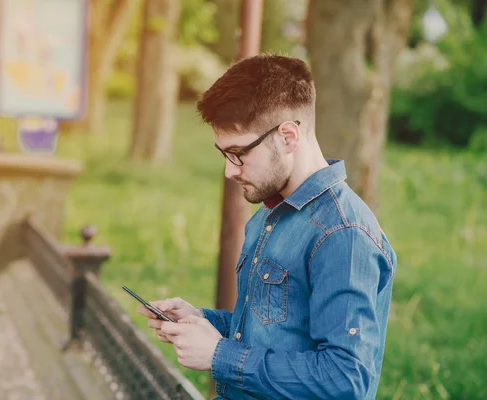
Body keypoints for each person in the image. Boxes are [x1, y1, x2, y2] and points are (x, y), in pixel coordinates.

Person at [139, 55, 397, 400]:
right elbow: (275, 334)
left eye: (238, 153)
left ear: (288, 136)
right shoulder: (270, 213)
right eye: (224, 154)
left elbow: (345, 379)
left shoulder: (341, 233)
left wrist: (219, 355)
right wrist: (203, 323)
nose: (230, 171)